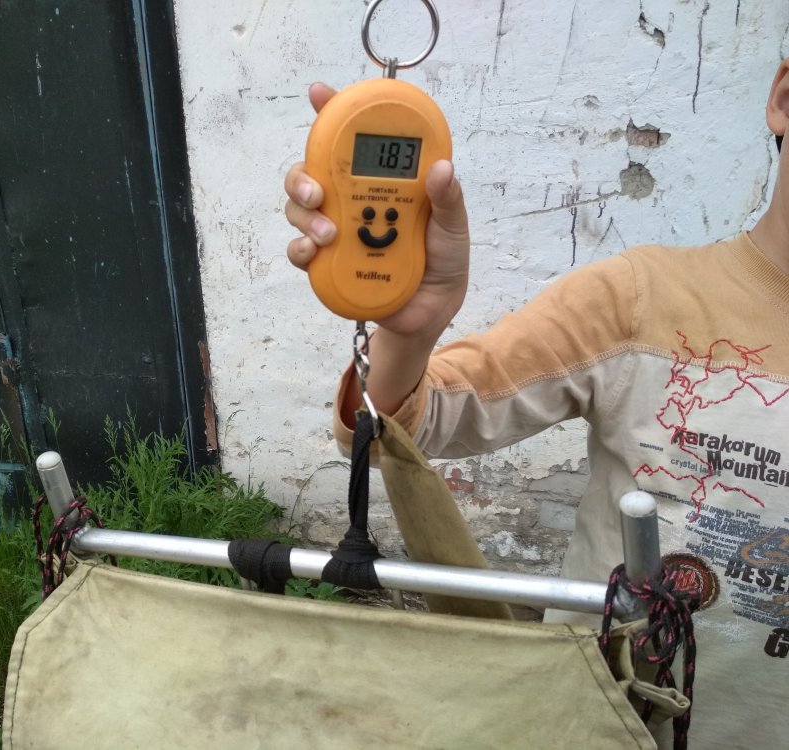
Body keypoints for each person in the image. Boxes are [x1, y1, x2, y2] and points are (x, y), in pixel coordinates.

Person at [283, 60, 789, 750]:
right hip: (602, 726)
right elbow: (408, 424)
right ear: (784, 98)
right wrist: (407, 331)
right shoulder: (642, 300)